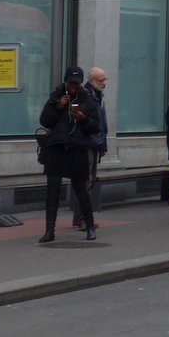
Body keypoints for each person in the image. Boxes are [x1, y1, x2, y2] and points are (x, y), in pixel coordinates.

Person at [38, 66, 101, 242]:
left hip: (77, 148)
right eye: (71, 82)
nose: (73, 86)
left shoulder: (87, 100)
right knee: (53, 190)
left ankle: (90, 226)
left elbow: (95, 127)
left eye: (76, 83)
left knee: (81, 189)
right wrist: (58, 106)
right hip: (56, 148)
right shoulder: (56, 96)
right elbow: (44, 121)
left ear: (80, 83)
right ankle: (49, 231)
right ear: (66, 81)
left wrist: (83, 118)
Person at [71, 66, 109, 230]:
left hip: (95, 143)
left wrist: (103, 144)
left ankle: (81, 218)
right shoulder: (86, 96)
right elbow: (86, 123)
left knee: (89, 181)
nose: (105, 83)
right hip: (87, 143)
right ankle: (83, 219)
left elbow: (102, 122)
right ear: (91, 81)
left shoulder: (97, 95)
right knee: (85, 181)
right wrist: (97, 141)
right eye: (102, 80)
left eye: (105, 79)